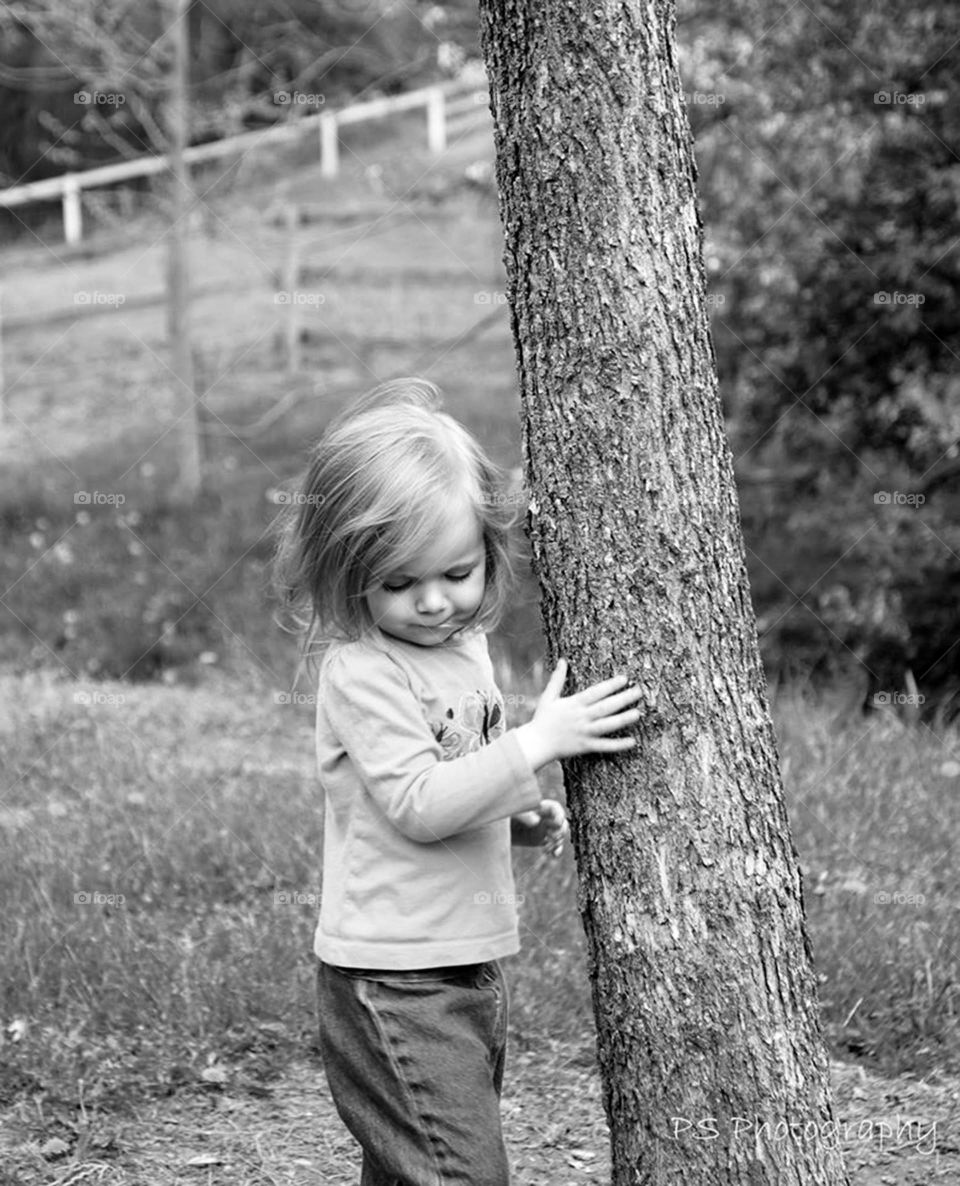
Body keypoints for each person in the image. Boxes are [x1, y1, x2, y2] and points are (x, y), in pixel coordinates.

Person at [273, 378, 642, 1185]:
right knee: (460, 1174)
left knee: (419, 1168)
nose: (434, 602)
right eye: (399, 584)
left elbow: (453, 776)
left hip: (466, 963)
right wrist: (540, 743)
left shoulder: (464, 651)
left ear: (487, 547)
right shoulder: (363, 672)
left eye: (456, 573)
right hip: (392, 980)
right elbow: (415, 802)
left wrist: (513, 818)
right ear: (350, 572)